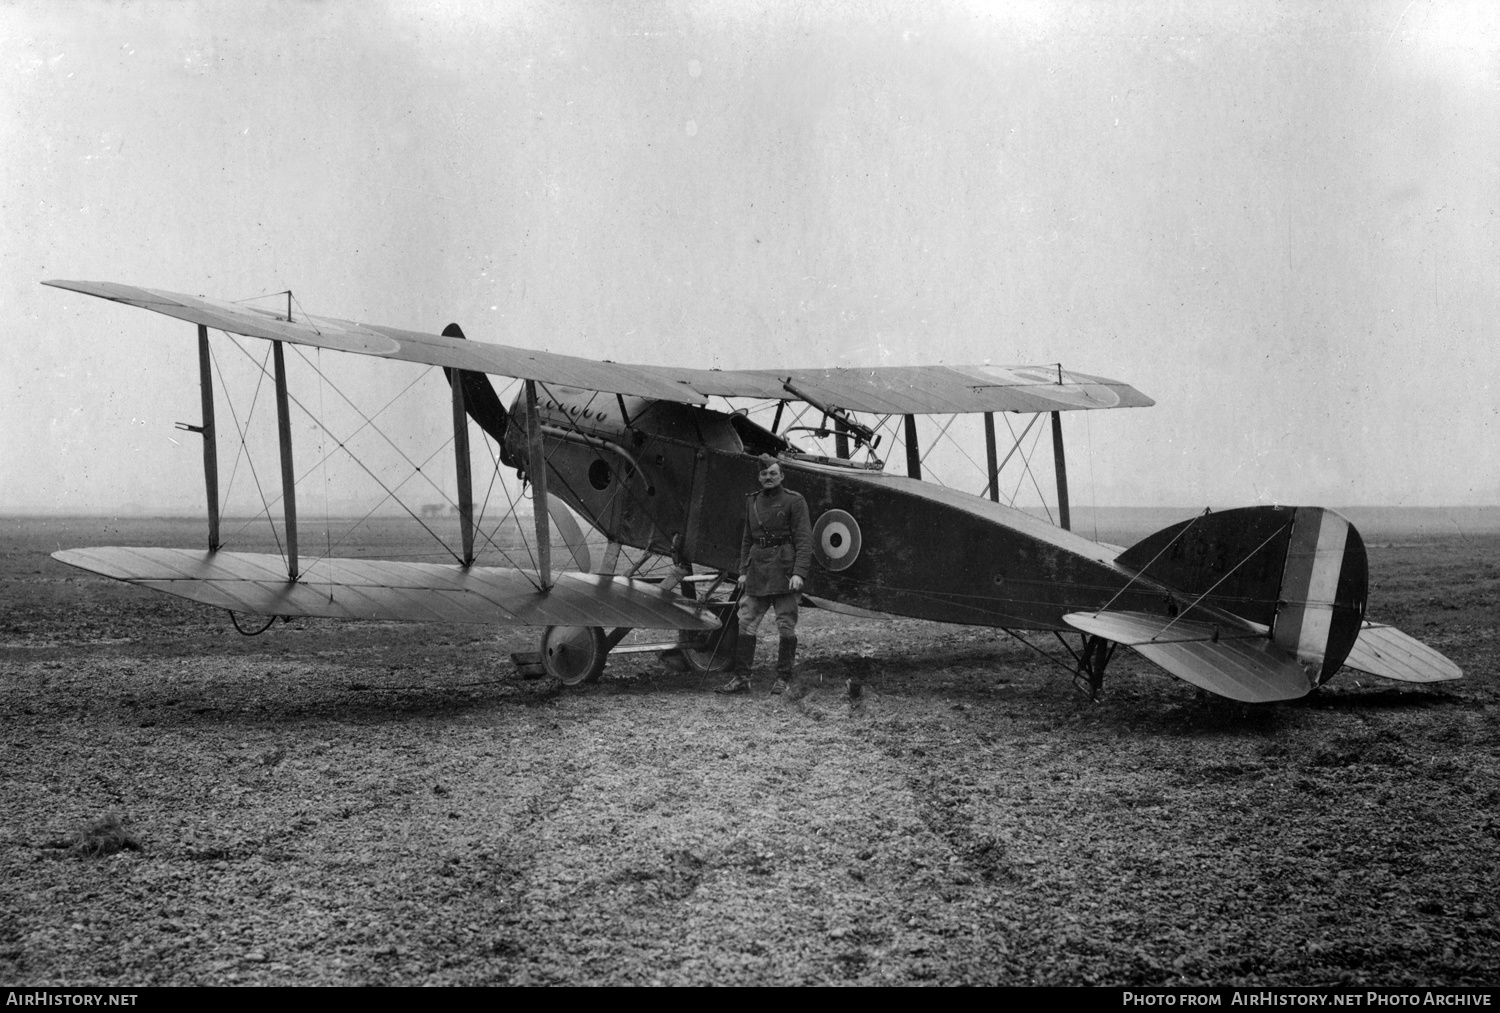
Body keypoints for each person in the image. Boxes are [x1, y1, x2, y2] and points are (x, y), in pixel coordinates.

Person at [717, 454, 814, 695]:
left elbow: (804, 539)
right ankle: (742, 678)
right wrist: (742, 571)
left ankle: (783, 678)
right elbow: (747, 539)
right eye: (763, 474)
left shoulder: (795, 501)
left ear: (781, 476)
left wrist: (799, 572)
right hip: (757, 570)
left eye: (772, 473)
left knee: (785, 625)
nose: (768, 477)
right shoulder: (752, 502)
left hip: (784, 571)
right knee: (746, 622)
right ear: (759, 477)